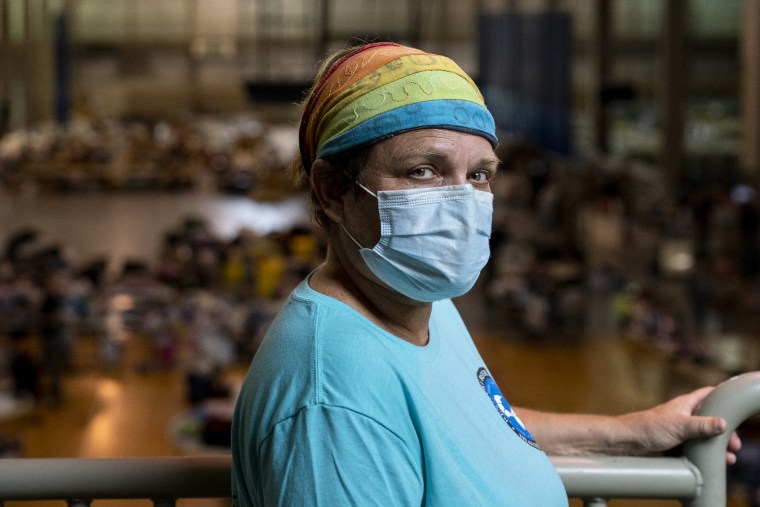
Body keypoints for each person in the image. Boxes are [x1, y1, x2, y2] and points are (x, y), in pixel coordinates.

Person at [231, 41, 741, 506]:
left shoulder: (419, 307)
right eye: (422, 171)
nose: (460, 201)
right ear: (332, 191)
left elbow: (475, 424)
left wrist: (631, 431)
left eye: (478, 175)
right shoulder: (331, 407)